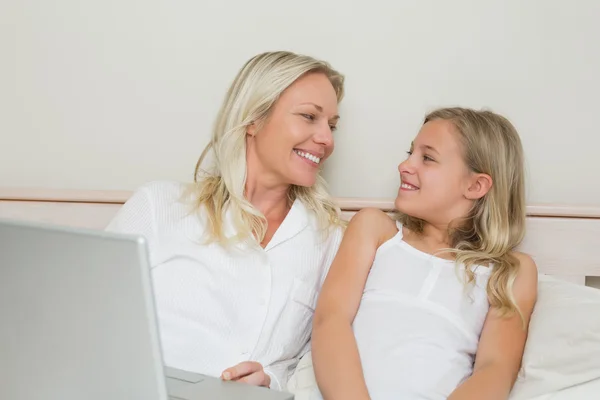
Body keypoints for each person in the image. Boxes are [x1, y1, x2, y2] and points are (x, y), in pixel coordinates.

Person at [106, 50, 346, 392]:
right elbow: (89, 318)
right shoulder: (160, 205)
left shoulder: (330, 239)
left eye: (332, 125)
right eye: (309, 117)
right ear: (253, 119)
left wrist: (271, 382)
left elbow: (321, 353)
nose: (327, 139)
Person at [311, 107, 539, 400]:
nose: (404, 165)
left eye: (427, 158)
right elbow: (330, 320)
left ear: (475, 185)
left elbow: (495, 370)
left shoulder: (511, 271)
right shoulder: (376, 231)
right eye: (410, 153)